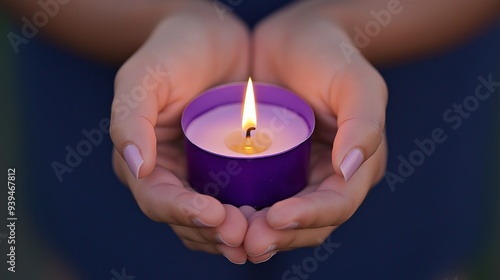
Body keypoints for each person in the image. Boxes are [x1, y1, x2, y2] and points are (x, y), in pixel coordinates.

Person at [3, 0, 499, 279]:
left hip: (398, 64)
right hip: (113, 52)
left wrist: (341, 23)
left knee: (399, 260)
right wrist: (165, 20)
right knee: (106, 256)